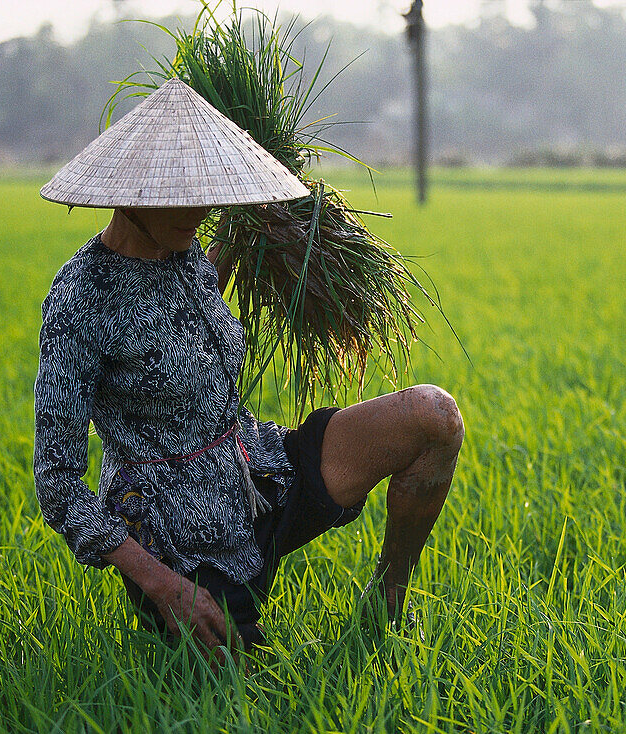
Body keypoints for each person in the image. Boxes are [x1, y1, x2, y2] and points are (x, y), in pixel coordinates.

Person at [33, 78, 462, 664]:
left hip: (255, 471)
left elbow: (193, 307)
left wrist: (257, 234)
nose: (202, 210)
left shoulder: (183, 257)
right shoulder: (80, 299)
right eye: (185, 196)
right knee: (235, 679)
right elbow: (57, 484)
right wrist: (164, 586)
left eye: (207, 193)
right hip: (176, 536)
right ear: (131, 193)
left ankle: (388, 594)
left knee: (434, 418)